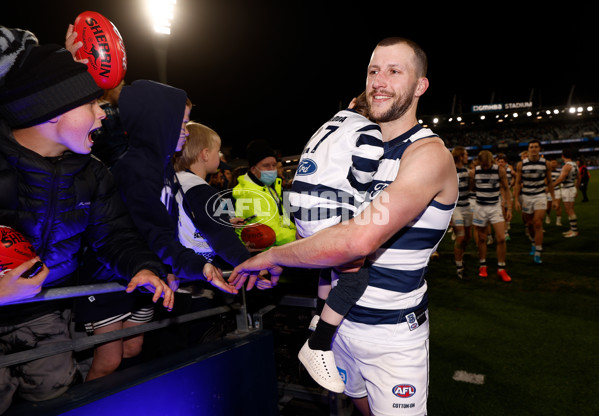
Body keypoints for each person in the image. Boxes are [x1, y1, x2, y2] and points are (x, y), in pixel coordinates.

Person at [230, 37, 458, 416]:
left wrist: (275, 257)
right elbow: (322, 227)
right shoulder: (355, 145)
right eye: (373, 70)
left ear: (420, 86)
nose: (379, 81)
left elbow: (358, 240)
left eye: (394, 71)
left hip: (392, 337)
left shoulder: (427, 155)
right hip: (340, 326)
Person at [0, 27, 173, 413]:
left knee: (52, 401)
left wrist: (142, 267)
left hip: (46, 314)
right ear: (52, 110)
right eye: (92, 103)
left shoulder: (92, 173)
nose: (103, 113)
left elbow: (114, 234)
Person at [287, 91, 384, 392]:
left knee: (329, 267)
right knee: (355, 274)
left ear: (352, 104)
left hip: (300, 205)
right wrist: (360, 189)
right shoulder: (368, 128)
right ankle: (318, 343)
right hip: (326, 206)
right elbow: (365, 166)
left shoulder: (331, 122)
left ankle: (319, 316)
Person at [171, 121, 271, 289]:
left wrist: (225, 222)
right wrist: (248, 262)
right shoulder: (200, 189)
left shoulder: (176, 181)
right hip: (198, 273)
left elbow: (191, 221)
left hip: (181, 265)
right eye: (218, 151)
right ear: (205, 154)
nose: (220, 156)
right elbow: (220, 235)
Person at [232, 139, 296, 247]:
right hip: (264, 252)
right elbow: (269, 231)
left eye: (274, 165)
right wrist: (298, 237)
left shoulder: (268, 187)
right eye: (266, 166)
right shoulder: (250, 194)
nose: (272, 169)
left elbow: (282, 219)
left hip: (278, 246)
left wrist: (296, 230)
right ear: (253, 169)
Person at [470, 150, 513, 282]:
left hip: (495, 207)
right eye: (483, 165)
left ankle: (501, 268)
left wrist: (509, 208)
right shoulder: (473, 172)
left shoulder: (499, 171)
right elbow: (471, 189)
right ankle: (483, 265)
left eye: (487, 165)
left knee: (501, 238)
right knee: (482, 239)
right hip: (480, 207)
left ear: (491, 161)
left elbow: (506, 189)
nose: (486, 168)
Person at [514, 140, 557, 264]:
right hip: (526, 197)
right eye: (531, 147)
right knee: (529, 224)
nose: (533, 149)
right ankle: (534, 242)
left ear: (539, 149)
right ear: (528, 149)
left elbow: (549, 182)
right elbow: (517, 183)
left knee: (538, 223)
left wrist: (553, 198)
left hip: (540, 196)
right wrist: (516, 199)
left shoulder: (546, 163)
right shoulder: (521, 165)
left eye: (535, 147)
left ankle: (538, 251)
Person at [451, 146, 473, 279]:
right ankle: (459, 267)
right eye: (465, 155)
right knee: (460, 236)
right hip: (456, 208)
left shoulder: (466, 170)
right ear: (460, 156)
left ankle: (459, 256)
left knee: (467, 237)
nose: (467, 157)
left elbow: (470, 189)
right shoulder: (450, 171)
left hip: (467, 206)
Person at [552, 148, 580, 237]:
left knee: (569, 210)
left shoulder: (567, 166)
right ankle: (572, 229)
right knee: (569, 209)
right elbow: (579, 178)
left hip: (567, 189)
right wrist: (576, 190)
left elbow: (561, 179)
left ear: (562, 156)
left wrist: (550, 186)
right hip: (571, 188)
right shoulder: (575, 165)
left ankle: (574, 231)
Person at [547, 158, 563, 226]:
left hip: (556, 190)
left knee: (558, 206)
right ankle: (548, 216)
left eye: (555, 163)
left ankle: (558, 221)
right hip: (548, 191)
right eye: (552, 162)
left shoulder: (559, 172)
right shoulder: (547, 172)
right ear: (550, 164)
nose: (554, 164)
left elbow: (560, 181)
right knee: (548, 207)